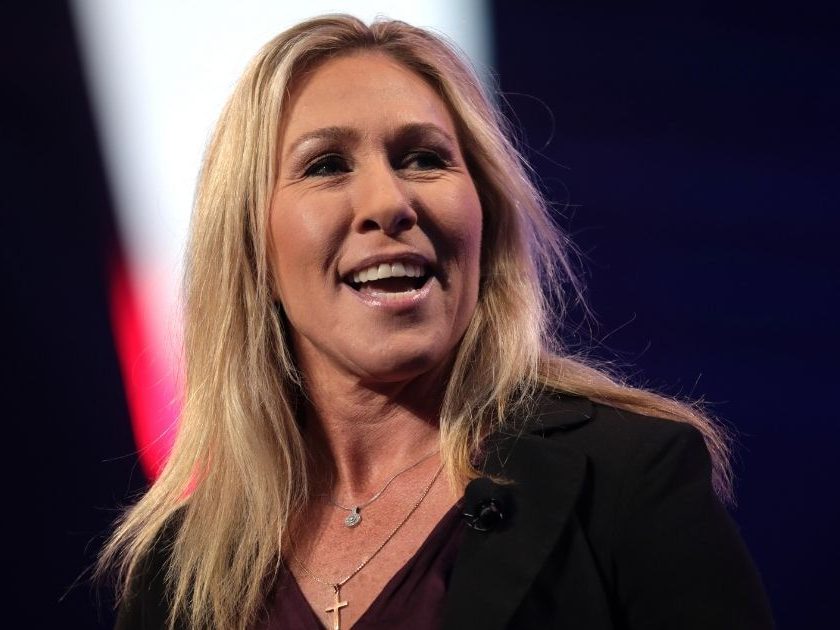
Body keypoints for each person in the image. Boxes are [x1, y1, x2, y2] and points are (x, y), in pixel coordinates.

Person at [102, 14, 774, 630]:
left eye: (423, 158)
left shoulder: (627, 477)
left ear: (486, 214)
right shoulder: (177, 572)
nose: (388, 202)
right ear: (252, 247)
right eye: (327, 166)